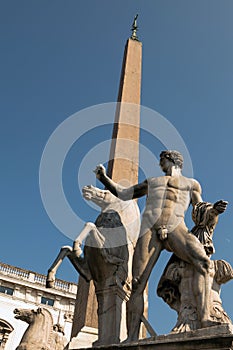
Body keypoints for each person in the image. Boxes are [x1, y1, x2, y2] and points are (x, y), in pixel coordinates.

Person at [94, 150, 227, 341]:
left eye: (161, 160)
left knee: (204, 263)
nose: (160, 164)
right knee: (138, 284)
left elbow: (199, 210)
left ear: (171, 160)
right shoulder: (153, 182)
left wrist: (213, 210)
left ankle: (205, 318)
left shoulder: (191, 184)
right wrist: (104, 178)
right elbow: (125, 193)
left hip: (176, 227)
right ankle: (132, 337)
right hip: (149, 228)